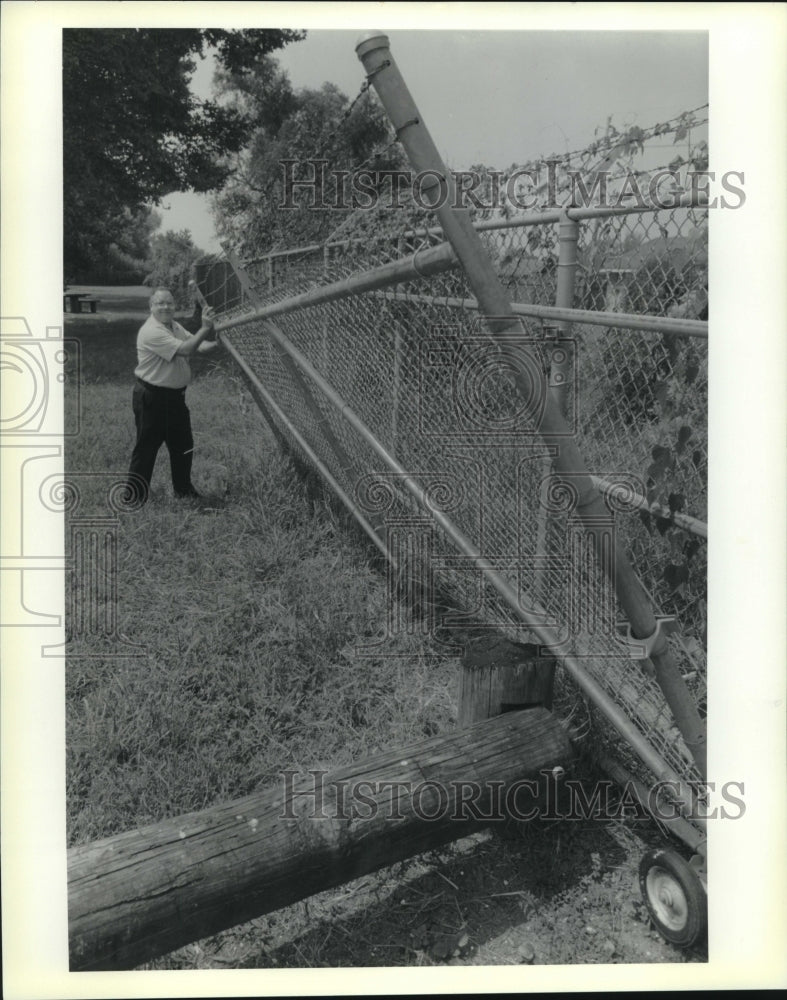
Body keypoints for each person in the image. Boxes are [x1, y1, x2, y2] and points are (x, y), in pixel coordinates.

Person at [125, 287, 220, 505]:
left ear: (174, 306)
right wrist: (205, 328)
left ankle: (183, 490)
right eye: (160, 303)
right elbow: (187, 349)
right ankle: (133, 499)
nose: (166, 307)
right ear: (151, 307)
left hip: (175, 398)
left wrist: (217, 343)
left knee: (183, 445)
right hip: (152, 397)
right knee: (146, 448)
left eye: (169, 303)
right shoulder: (151, 331)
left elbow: (199, 346)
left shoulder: (173, 326)